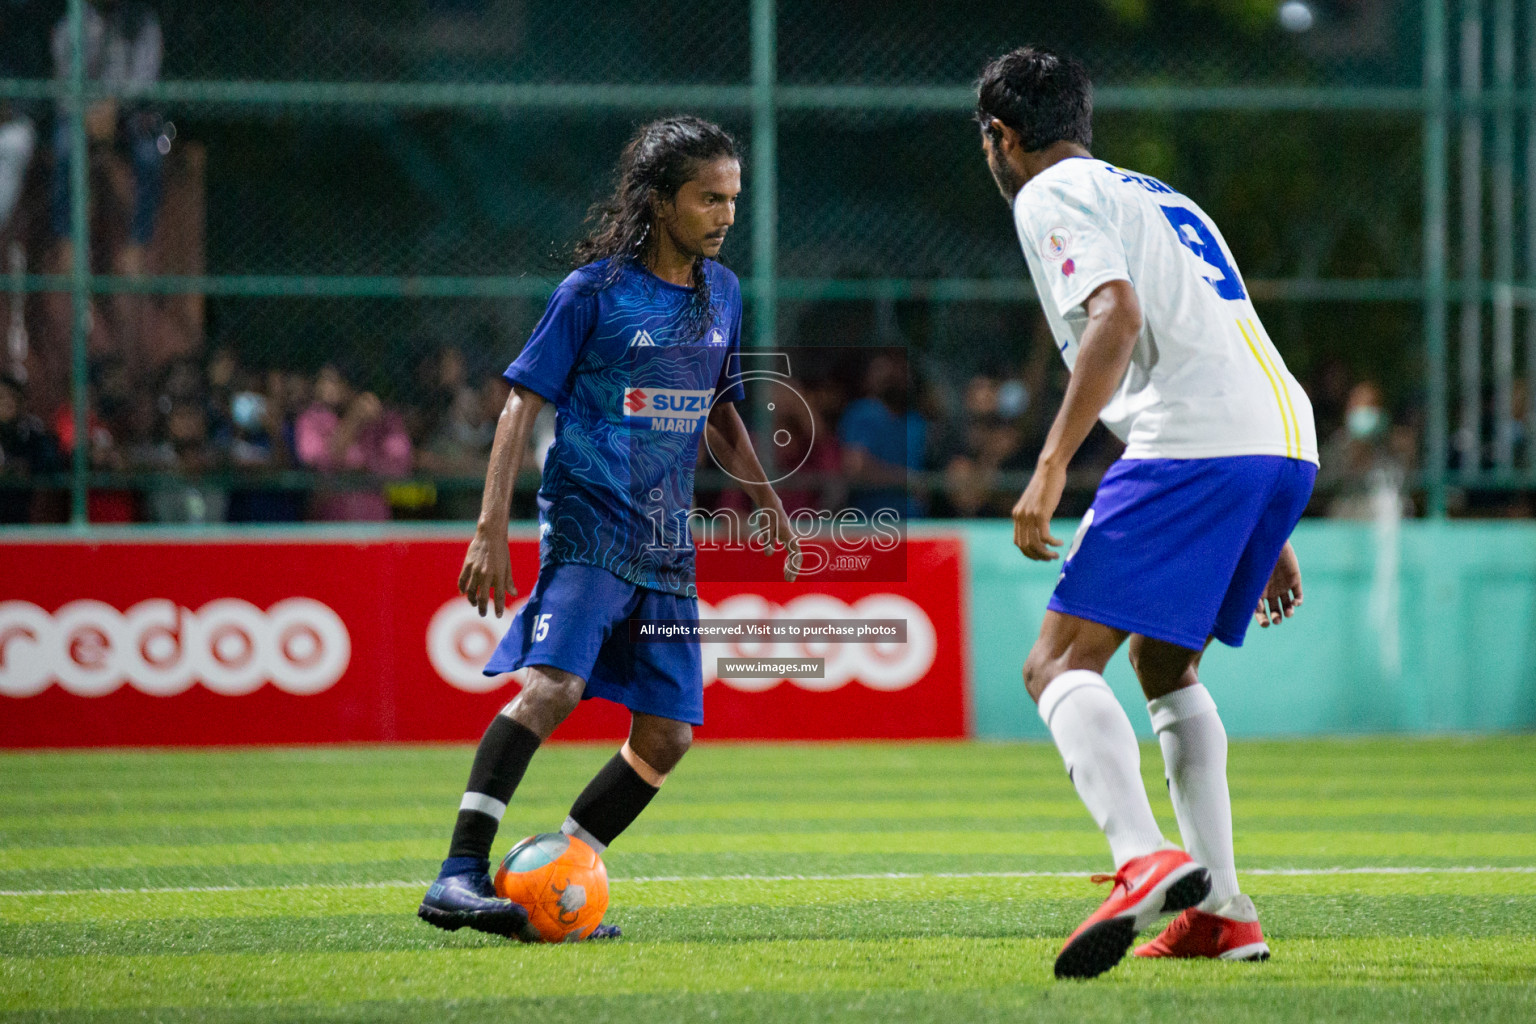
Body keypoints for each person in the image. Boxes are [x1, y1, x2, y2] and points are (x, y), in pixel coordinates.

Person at [975, 47, 1318, 979]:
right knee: (1163, 661)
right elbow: (1218, 328)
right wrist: (1268, 511)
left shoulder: (1048, 196)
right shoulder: (1163, 194)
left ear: (1002, 136)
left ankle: (1144, 857)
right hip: (1279, 435)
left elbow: (1117, 317)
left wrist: (1048, 469)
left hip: (1199, 439)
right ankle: (1224, 912)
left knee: (1055, 662)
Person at [417, 116, 800, 941]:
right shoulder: (592, 292)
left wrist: (768, 505)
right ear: (662, 202)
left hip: (667, 548)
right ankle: (456, 873)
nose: (726, 213)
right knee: (553, 688)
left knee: (667, 737)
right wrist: (490, 529)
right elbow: (523, 401)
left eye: (733, 197)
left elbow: (722, 406)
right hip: (591, 530)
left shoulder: (722, 293)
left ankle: (563, 873)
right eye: (709, 197)